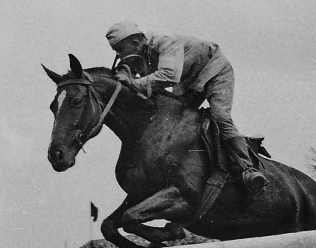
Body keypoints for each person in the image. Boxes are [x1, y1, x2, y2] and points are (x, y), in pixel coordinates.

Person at [105, 21, 268, 195]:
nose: (119, 55)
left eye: (120, 50)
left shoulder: (164, 41)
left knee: (220, 116)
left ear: (135, 42)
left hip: (214, 71)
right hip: (189, 82)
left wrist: (134, 82)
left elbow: (169, 76)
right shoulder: (139, 55)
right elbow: (143, 86)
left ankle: (247, 167)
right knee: (172, 117)